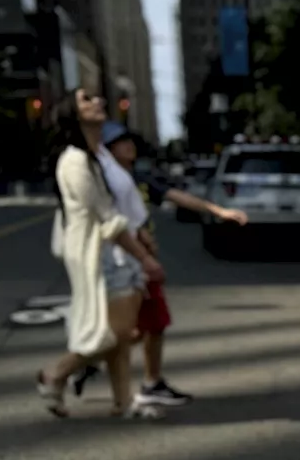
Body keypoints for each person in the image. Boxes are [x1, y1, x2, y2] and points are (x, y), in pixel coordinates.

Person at [69, 121, 248, 406]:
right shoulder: (104, 183)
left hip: (139, 258)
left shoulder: (137, 179)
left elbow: (175, 196)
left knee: (145, 327)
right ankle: (85, 367)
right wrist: (142, 254)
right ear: (106, 150)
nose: (129, 146)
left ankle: (98, 366)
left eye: (130, 141)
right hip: (125, 260)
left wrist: (217, 210)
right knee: (141, 326)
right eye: (120, 143)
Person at [36, 88, 166, 420]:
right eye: (87, 100)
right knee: (120, 331)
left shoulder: (94, 156)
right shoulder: (74, 161)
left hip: (113, 251)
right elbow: (107, 219)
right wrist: (144, 257)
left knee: (120, 332)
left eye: (97, 98)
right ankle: (58, 373)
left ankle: (123, 402)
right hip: (98, 253)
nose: (98, 102)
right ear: (72, 113)